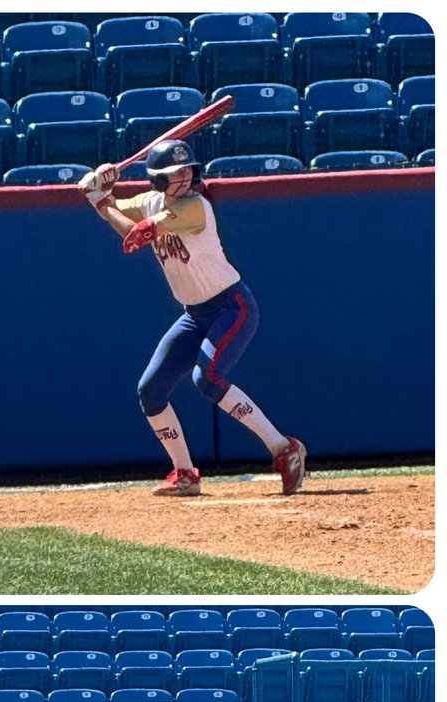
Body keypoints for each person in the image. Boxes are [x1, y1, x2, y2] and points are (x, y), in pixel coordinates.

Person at [79, 142, 306, 497]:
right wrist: (100, 190)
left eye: (188, 171)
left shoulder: (195, 208)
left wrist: (100, 200)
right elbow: (118, 211)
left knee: (208, 378)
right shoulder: (151, 202)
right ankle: (185, 473)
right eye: (175, 173)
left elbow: (133, 234)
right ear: (158, 179)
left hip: (232, 306)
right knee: (151, 391)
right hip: (194, 313)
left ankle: (284, 448)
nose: (184, 178)